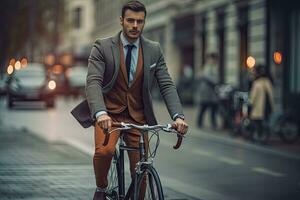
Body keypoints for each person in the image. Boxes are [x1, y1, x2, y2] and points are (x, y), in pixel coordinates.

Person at [85, 1, 188, 199]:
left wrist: (178, 116)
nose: (135, 25)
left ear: (144, 23)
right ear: (121, 21)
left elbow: (166, 84)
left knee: (141, 172)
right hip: (109, 115)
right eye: (130, 20)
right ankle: (101, 187)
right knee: (105, 152)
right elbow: (93, 83)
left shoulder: (154, 49)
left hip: (138, 117)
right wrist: (100, 113)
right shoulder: (103, 47)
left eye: (139, 21)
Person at [249, 64, 274, 135]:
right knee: (265, 120)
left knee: (257, 122)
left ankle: (259, 135)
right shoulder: (267, 82)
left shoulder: (257, 83)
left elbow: (253, 97)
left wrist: (250, 104)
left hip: (258, 108)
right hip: (267, 106)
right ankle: (265, 134)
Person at [195, 53, 219, 128]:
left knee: (213, 108)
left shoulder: (213, 67)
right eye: (212, 59)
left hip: (211, 93)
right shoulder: (207, 67)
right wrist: (214, 81)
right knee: (203, 108)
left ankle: (213, 124)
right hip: (206, 93)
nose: (213, 60)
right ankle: (199, 123)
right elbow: (207, 77)